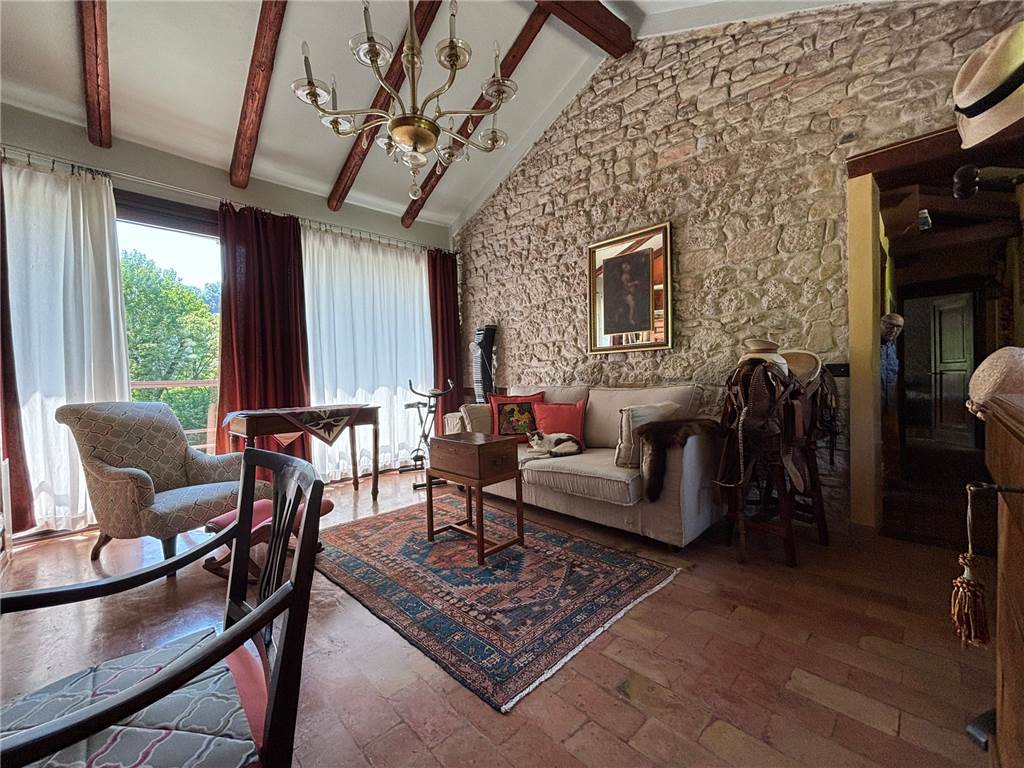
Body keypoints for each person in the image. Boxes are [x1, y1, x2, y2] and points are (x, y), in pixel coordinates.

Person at [880, 313, 904, 408]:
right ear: (880, 324)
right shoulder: (871, 346)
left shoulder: (892, 348)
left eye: (898, 327)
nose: (894, 330)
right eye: (890, 325)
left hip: (889, 402)